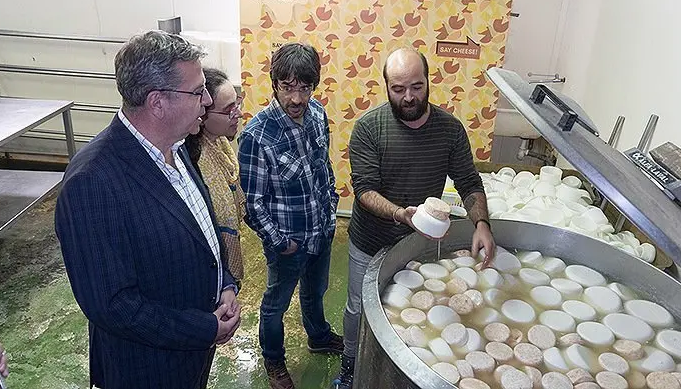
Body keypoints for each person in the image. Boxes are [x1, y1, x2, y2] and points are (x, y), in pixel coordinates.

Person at [55, 31, 241, 389]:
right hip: (146, 369)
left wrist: (226, 285)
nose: (206, 100)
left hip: (191, 358)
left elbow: (202, 230)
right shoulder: (92, 182)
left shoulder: (179, 146)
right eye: (197, 91)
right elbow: (114, 306)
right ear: (157, 102)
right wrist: (203, 328)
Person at [332, 48, 496, 388]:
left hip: (418, 243)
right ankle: (350, 363)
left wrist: (481, 224)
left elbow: (468, 181)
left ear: (428, 81)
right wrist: (398, 213)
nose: (409, 97)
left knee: (415, 309)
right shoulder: (369, 129)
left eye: (417, 87)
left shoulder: (449, 130)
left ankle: (398, 370)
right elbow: (364, 191)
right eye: (399, 89)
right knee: (358, 308)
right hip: (371, 240)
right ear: (386, 86)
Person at [238, 43, 341, 389]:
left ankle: (319, 335)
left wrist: (331, 209)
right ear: (274, 84)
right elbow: (252, 203)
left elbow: (322, 166)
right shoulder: (257, 135)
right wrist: (280, 242)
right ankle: (274, 361)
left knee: (316, 291)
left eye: (305, 87)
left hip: (321, 231)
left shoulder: (317, 114)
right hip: (289, 242)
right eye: (287, 87)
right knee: (275, 305)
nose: (296, 98)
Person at [185, 67, 247, 287]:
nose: (238, 114)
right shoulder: (193, 161)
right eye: (229, 109)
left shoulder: (221, 143)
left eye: (237, 104)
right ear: (202, 115)